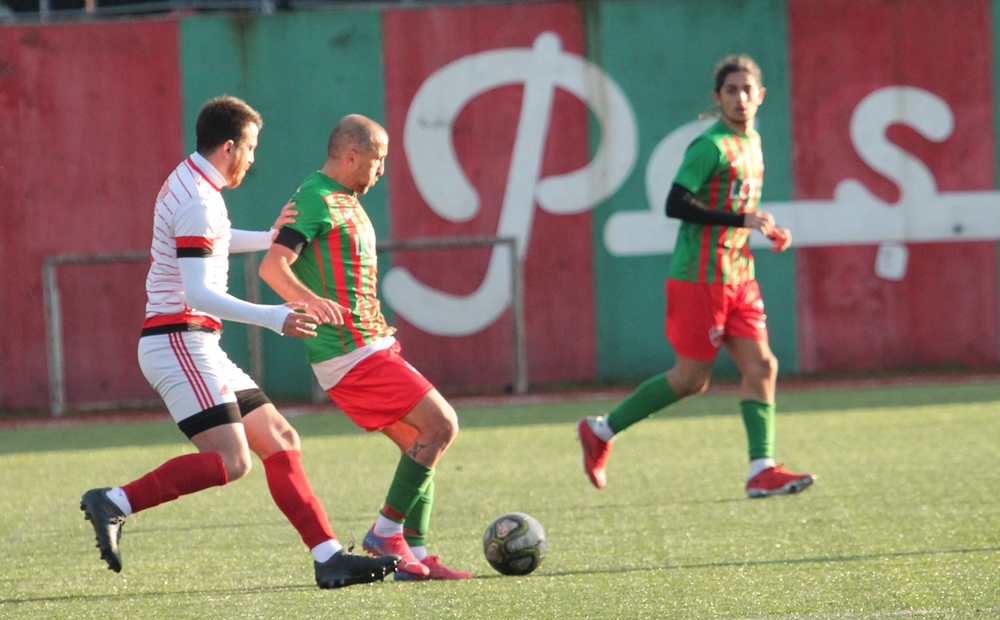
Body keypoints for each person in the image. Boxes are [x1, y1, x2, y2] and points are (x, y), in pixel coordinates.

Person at [79, 96, 400, 589]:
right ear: (229, 147)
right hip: (179, 340)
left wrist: (270, 234)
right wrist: (273, 316)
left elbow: (216, 239)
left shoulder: (193, 180)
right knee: (232, 462)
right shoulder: (199, 200)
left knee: (281, 440)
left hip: (192, 341)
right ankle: (116, 501)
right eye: (251, 147)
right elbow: (198, 293)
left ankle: (329, 556)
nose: (253, 158)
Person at [577, 55, 816, 499]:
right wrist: (741, 218)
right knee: (691, 380)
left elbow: (738, 212)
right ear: (717, 98)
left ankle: (760, 469)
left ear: (760, 96)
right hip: (699, 277)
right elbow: (675, 204)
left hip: (739, 275)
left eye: (748, 90)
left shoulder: (753, 142)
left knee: (763, 365)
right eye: (731, 90)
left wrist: (762, 227)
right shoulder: (711, 146)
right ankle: (601, 430)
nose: (741, 98)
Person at [258, 114, 471, 581]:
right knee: (441, 425)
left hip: (370, 344)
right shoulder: (316, 198)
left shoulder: (347, 199)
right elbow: (272, 269)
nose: (381, 171)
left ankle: (414, 557)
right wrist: (311, 300)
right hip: (350, 352)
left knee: (421, 444)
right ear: (351, 156)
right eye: (377, 161)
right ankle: (384, 533)